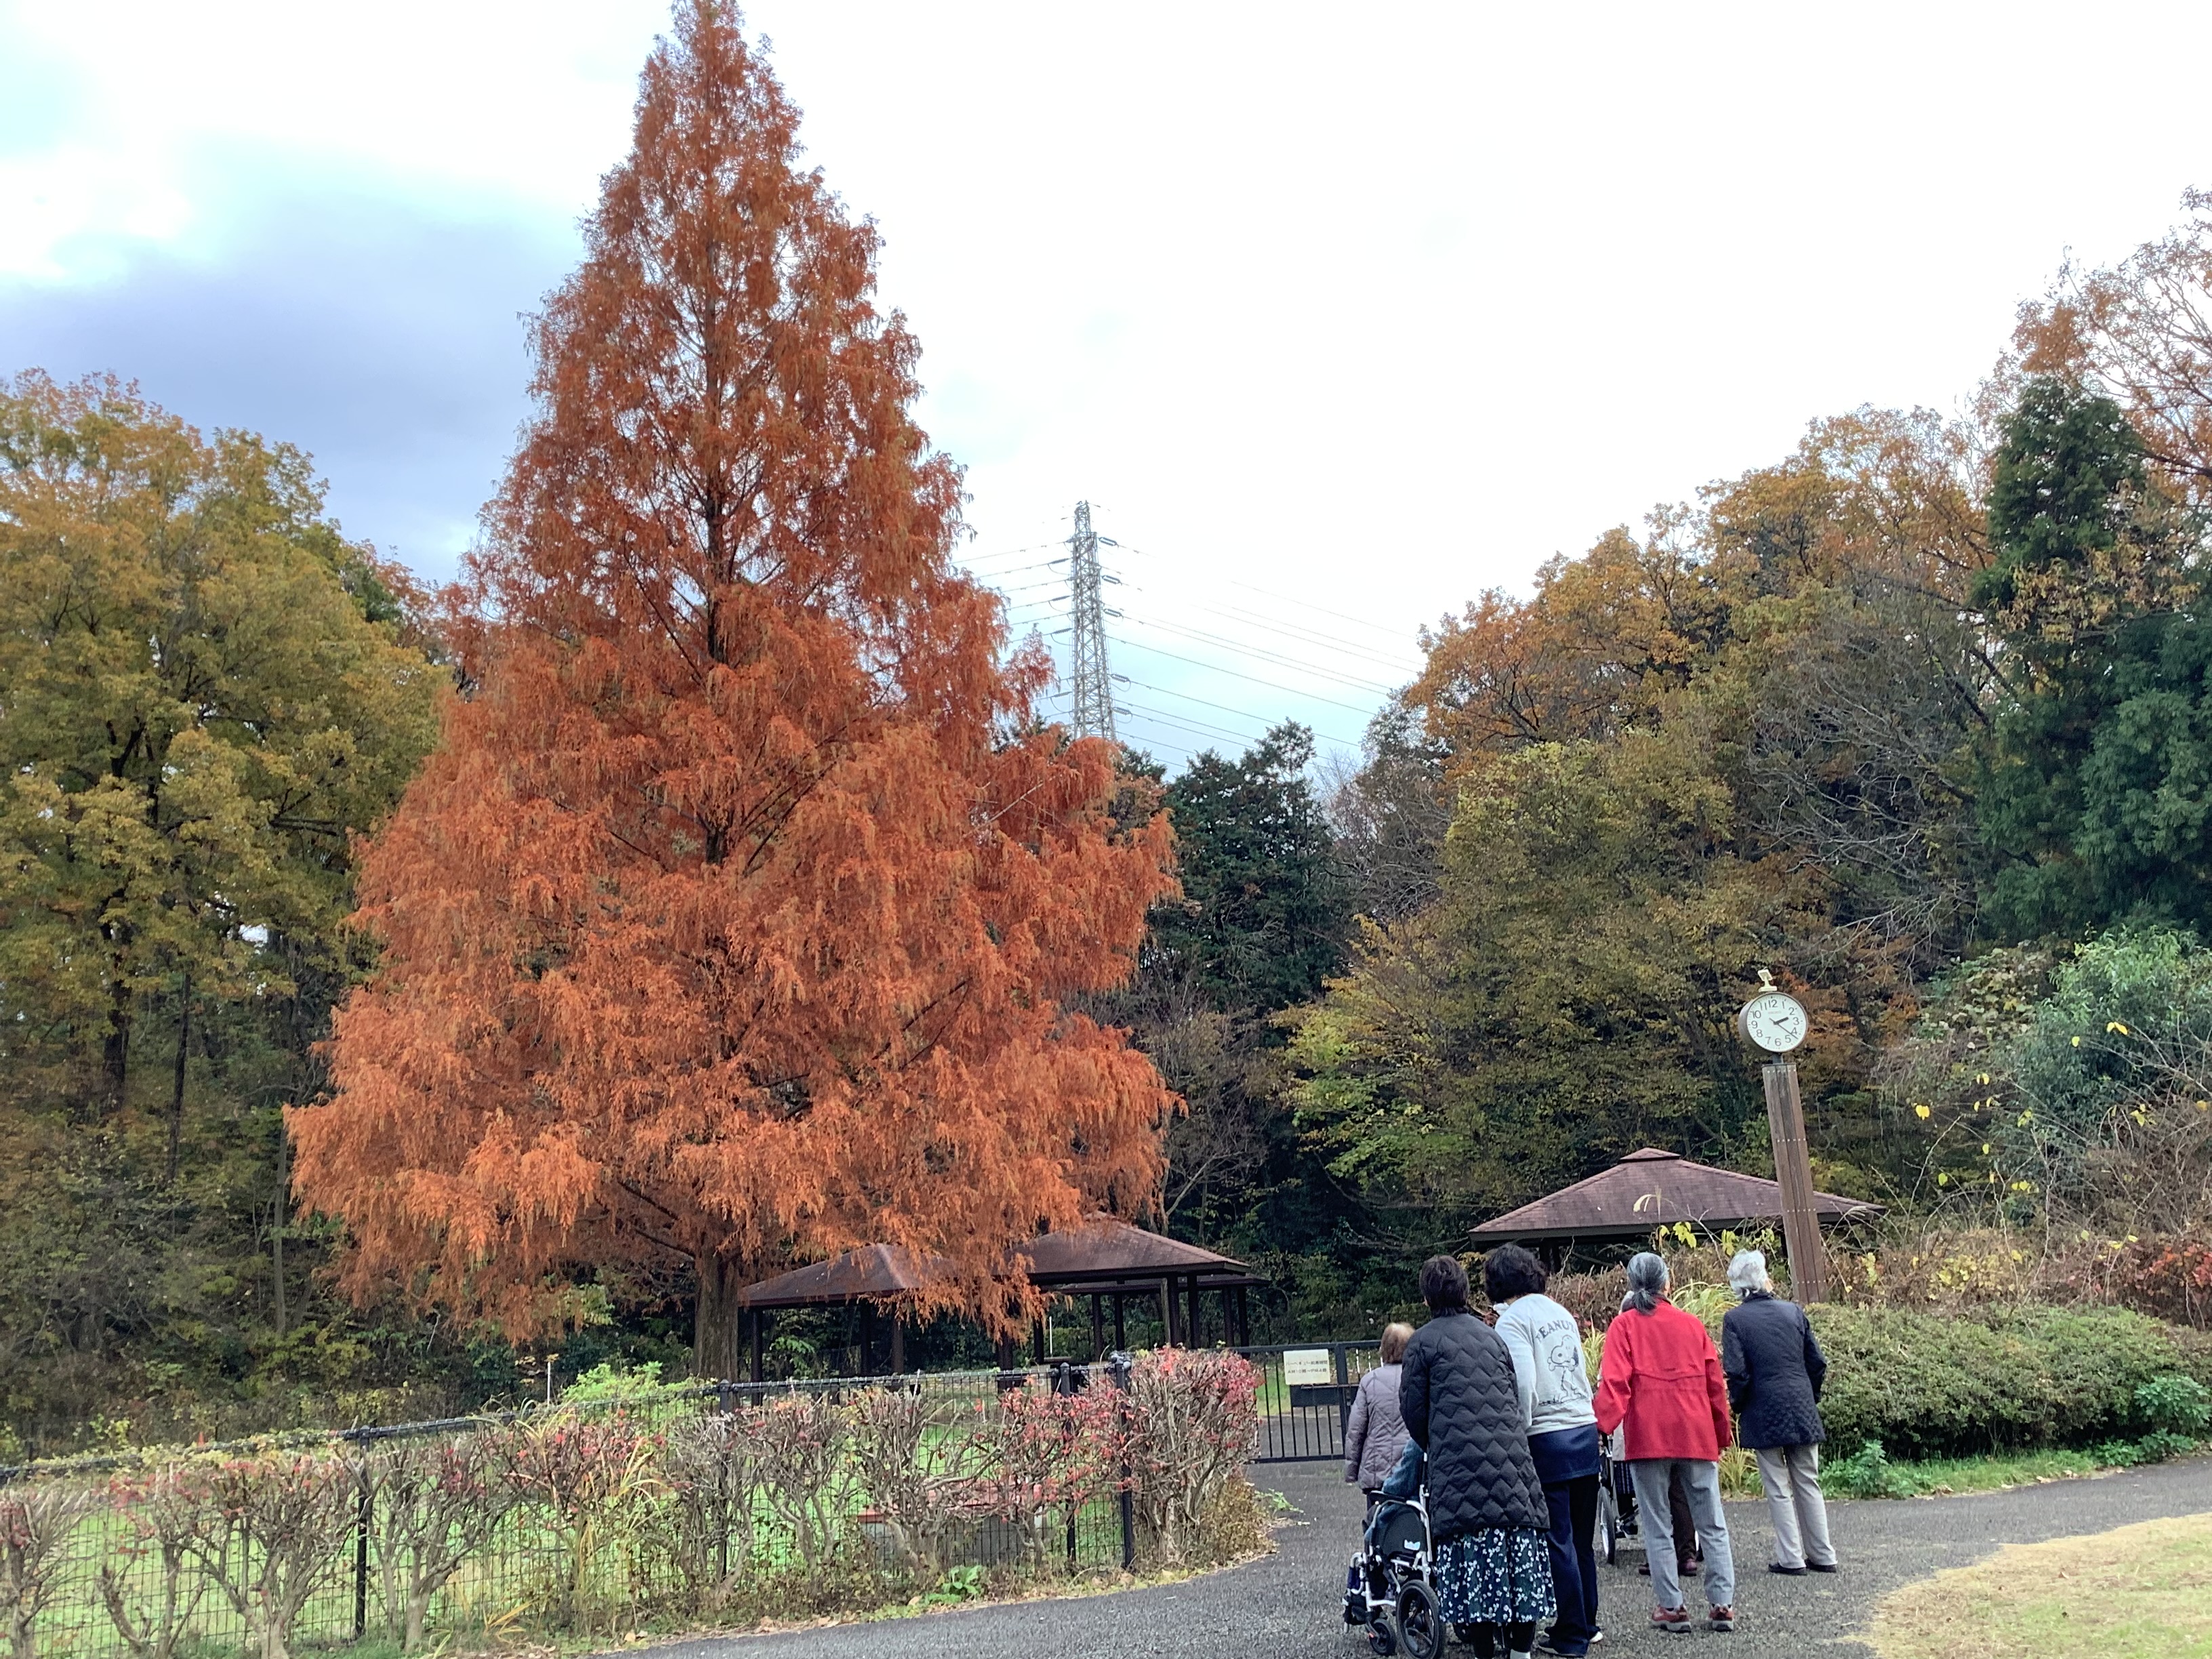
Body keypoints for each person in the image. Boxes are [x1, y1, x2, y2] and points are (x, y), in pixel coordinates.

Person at [1400, 1254, 1555, 1659]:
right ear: (1467, 1293)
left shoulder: (1422, 1343)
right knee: (1518, 1563)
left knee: (1474, 1569)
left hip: (1458, 1471)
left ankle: (1484, 1651)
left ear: (1427, 1299)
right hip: (1512, 1464)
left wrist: (1439, 1443)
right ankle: (1522, 1652)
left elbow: (1414, 1413)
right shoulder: (1492, 1336)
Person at [1592, 1252, 1738, 1635]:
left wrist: (1599, 1427)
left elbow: (1615, 1384)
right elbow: (1714, 1386)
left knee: (1657, 1524)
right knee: (1712, 1522)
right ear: (1667, 1284)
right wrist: (1721, 1434)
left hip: (1649, 1434)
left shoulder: (1623, 1327)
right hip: (1695, 1431)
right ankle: (1722, 1604)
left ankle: (1672, 1607)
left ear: (1631, 1285)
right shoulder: (1692, 1325)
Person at [1486, 1245, 1601, 1658]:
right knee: (1582, 1540)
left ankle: (1570, 1636)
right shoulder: (1560, 1313)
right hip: (1585, 1428)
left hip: (1547, 1438)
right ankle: (1587, 1623)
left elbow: (1524, 1385)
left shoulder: (1513, 1321)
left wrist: (1517, 1432)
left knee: (1558, 1539)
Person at [1721, 1249, 1837, 1576]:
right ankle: (1823, 1554)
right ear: (1764, 1278)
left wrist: (1740, 1405)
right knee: (1808, 1481)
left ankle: (1792, 1558)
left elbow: (1738, 1373)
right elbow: (1818, 1362)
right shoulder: (1793, 1312)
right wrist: (1809, 1395)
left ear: (1737, 1286)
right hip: (1801, 1404)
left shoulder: (1735, 1320)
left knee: (1777, 1485)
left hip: (1763, 1406)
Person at [1345, 1322, 1416, 1494]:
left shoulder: (1370, 1381)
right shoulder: (1417, 1378)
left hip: (1376, 1471)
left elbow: (1356, 1431)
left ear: (1384, 1348)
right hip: (1412, 1468)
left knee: (1376, 1517)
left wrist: (1351, 1471)